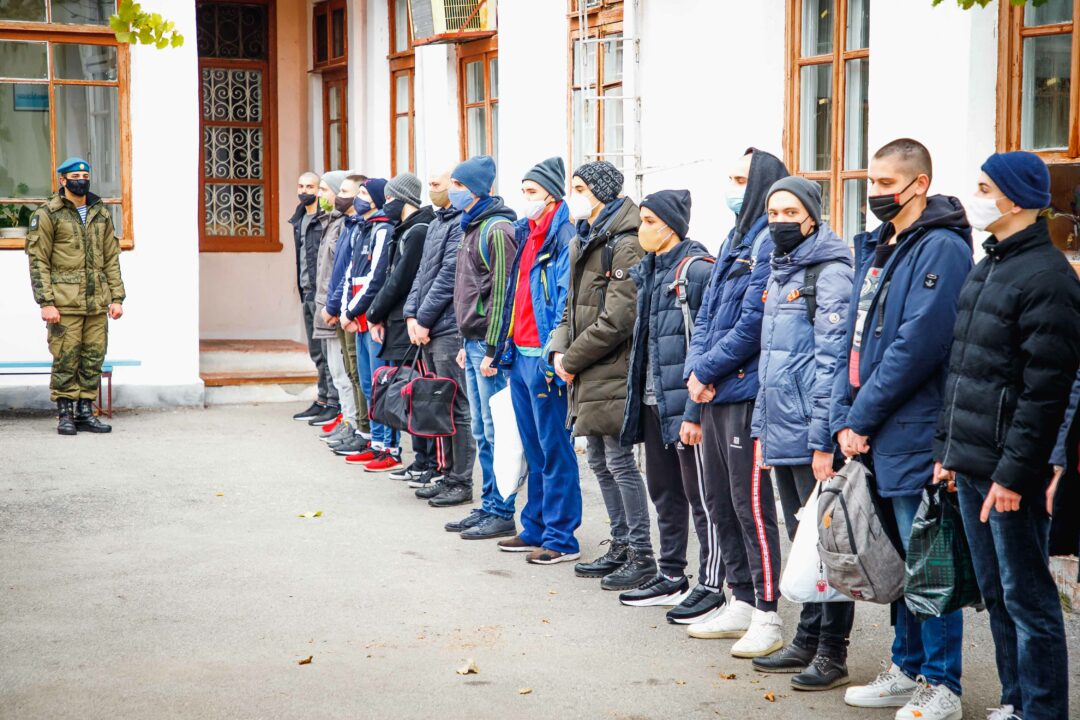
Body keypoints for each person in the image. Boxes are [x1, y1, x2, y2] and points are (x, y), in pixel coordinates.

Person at [933, 151, 1080, 720]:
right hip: (972, 461)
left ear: (1014, 199)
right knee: (996, 592)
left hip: (1009, 471)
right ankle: (1015, 700)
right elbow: (963, 370)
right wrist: (947, 450)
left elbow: (1045, 391)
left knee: (1029, 598)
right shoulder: (987, 265)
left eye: (983, 187)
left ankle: (1042, 710)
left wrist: (1015, 475)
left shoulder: (1047, 278)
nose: (975, 197)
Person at [830, 138, 973, 720]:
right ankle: (907, 666)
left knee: (927, 561)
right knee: (896, 558)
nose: (876, 193)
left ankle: (942, 684)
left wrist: (861, 417)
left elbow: (918, 345)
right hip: (876, 426)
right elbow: (856, 339)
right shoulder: (883, 244)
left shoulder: (941, 248)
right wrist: (845, 416)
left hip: (913, 426)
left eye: (887, 184)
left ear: (919, 184)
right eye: (872, 182)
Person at [748, 177, 855, 690]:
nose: (779, 221)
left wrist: (822, 442)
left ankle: (833, 652)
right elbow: (771, 362)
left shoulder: (830, 274)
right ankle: (807, 638)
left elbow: (832, 364)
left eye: (790, 212)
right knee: (804, 542)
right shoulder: (781, 268)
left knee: (829, 546)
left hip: (813, 433)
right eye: (773, 213)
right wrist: (762, 431)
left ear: (812, 215)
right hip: (782, 427)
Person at [682, 148, 786, 658]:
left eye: (742, 179)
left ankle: (767, 611)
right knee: (720, 500)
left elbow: (753, 323)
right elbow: (706, 316)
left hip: (743, 392)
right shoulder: (734, 238)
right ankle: (740, 598)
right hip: (713, 391)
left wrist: (706, 371)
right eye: (731, 178)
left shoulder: (768, 242)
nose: (733, 188)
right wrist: (696, 371)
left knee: (750, 507)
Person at [617, 189, 726, 624]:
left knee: (703, 498)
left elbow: (707, 343)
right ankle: (671, 574)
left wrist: (695, 413)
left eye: (649, 221)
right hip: (652, 401)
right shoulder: (649, 270)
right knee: (664, 492)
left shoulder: (696, 271)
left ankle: (712, 584)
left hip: (684, 407)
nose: (641, 229)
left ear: (672, 226)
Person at [550, 161, 652, 578]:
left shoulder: (625, 243)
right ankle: (621, 543)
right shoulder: (587, 237)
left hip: (611, 368)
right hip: (586, 368)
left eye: (580, 188)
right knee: (597, 459)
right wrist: (558, 351)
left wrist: (571, 360)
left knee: (619, 461)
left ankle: (641, 554)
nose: (573, 196)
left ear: (602, 192)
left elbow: (618, 319)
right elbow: (570, 308)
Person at [491, 158, 581, 550]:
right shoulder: (525, 232)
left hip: (545, 358)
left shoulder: (563, 237)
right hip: (519, 354)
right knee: (532, 448)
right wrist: (501, 346)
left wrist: (556, 352)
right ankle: (535, 526)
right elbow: (513, 296)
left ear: (551, 195)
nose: (525, 198)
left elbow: (564, 301)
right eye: (524, 191)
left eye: (532, 192)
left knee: (554, 448)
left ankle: (561, 537)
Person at [419, 155, 516, 509]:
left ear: (475, 189)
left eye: (458, 185)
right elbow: (467, 291)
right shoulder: (470, 226)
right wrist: (464, 341)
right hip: (471, 342)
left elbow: (502, 295)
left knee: (493, 430)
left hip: (487, 347)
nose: (452, 191)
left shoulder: (497, 229)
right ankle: (488, 504)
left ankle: (500, 507)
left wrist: (493, 348)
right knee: (480, 429)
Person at [26, 156, 125, 435]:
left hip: (96, 301)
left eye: (85, 176)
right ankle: (65, 414)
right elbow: (38, 261)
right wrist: (46, 302)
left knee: (93, 357)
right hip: (64, 302)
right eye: (75, 177)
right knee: (66, 358)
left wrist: (117, 297)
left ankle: (85, 411)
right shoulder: (48, 214)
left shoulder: (100, 212)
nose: (81, 181)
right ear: (63, 180)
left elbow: (111, 258)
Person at [364, 173, 439, 480]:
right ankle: (421, 459)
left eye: (390, 197)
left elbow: (400, 280)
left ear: (403, 198)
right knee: (408, 393)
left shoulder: (418, 231)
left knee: (418, 393)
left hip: (410, 325)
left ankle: (428, 462)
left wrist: (374, 312)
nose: (386, 203)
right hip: (399, 323)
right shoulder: (406, 229)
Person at [403, 170, 472, 495]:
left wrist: (424, 319)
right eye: (430, 184)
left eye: (439, 184)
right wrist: (410, 314)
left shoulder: (460, 224)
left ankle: (461, 480)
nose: (433, 189)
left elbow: (448, 277)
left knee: (456, 405)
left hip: (448, 328)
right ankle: (445, 475)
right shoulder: (436, 223)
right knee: (438, 404)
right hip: (428, 326)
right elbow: (421, 273)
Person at [342, 178, 403, 472]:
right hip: (359, 319)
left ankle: (389, 447)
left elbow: (376, 278)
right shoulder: (363, 228)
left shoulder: (383, 230)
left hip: (373, 318)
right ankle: (375, 442)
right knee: (368, 384)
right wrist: (348, 311)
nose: (359, 198)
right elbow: (351, 274)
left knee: (382, 384)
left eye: (364, 193)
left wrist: (355, 311)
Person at [312, 170, 368, 450]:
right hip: (330, 304)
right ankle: (349, 421)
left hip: (339, 307)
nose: (319, 195)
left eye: (325, 190)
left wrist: (334, 305)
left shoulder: (351, 226)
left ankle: (356, 425)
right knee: (340, 370)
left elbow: (345, 271)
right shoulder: (338, 223)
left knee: (349, 374)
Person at [290, 171, 339, 425]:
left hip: (321, 293)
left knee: (328, 351)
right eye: (301, 186)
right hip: (306, 290)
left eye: (311, 186)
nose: (305, 191)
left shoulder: (325, 219)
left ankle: (333, 402)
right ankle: (322, 399)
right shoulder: (299, 218)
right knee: (316, 352)